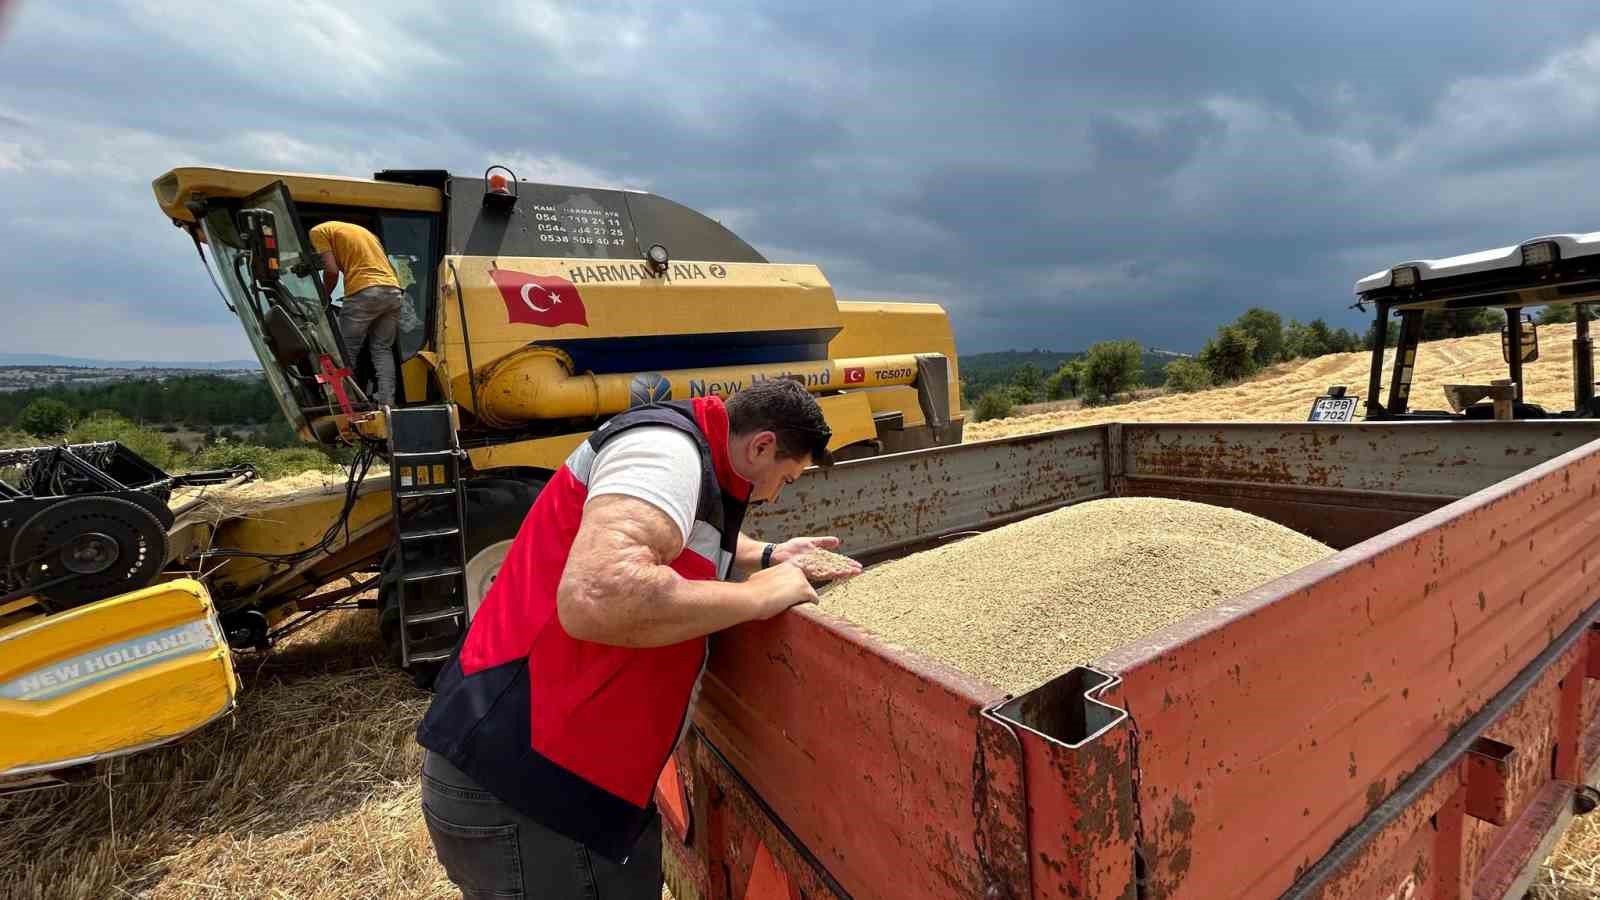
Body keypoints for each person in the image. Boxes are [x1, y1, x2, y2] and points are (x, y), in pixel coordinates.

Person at [416, 379, 861, 899]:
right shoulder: (664, 453)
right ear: (761, 445)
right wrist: (758, 596)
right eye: (785, 477)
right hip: (533, 795)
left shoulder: (687, 455)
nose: (776, 493)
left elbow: (679, 523)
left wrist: (766, 555)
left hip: (545, 785)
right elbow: (600, 594)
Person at [308, 220, 406, 405]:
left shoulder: (317, 231)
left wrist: (322, 297)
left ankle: (345, 402)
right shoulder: (365, 233)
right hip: (393, 291)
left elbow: (331, 271)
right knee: (382, 349)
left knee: (345, 349)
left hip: (364, 291)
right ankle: (387, 402)